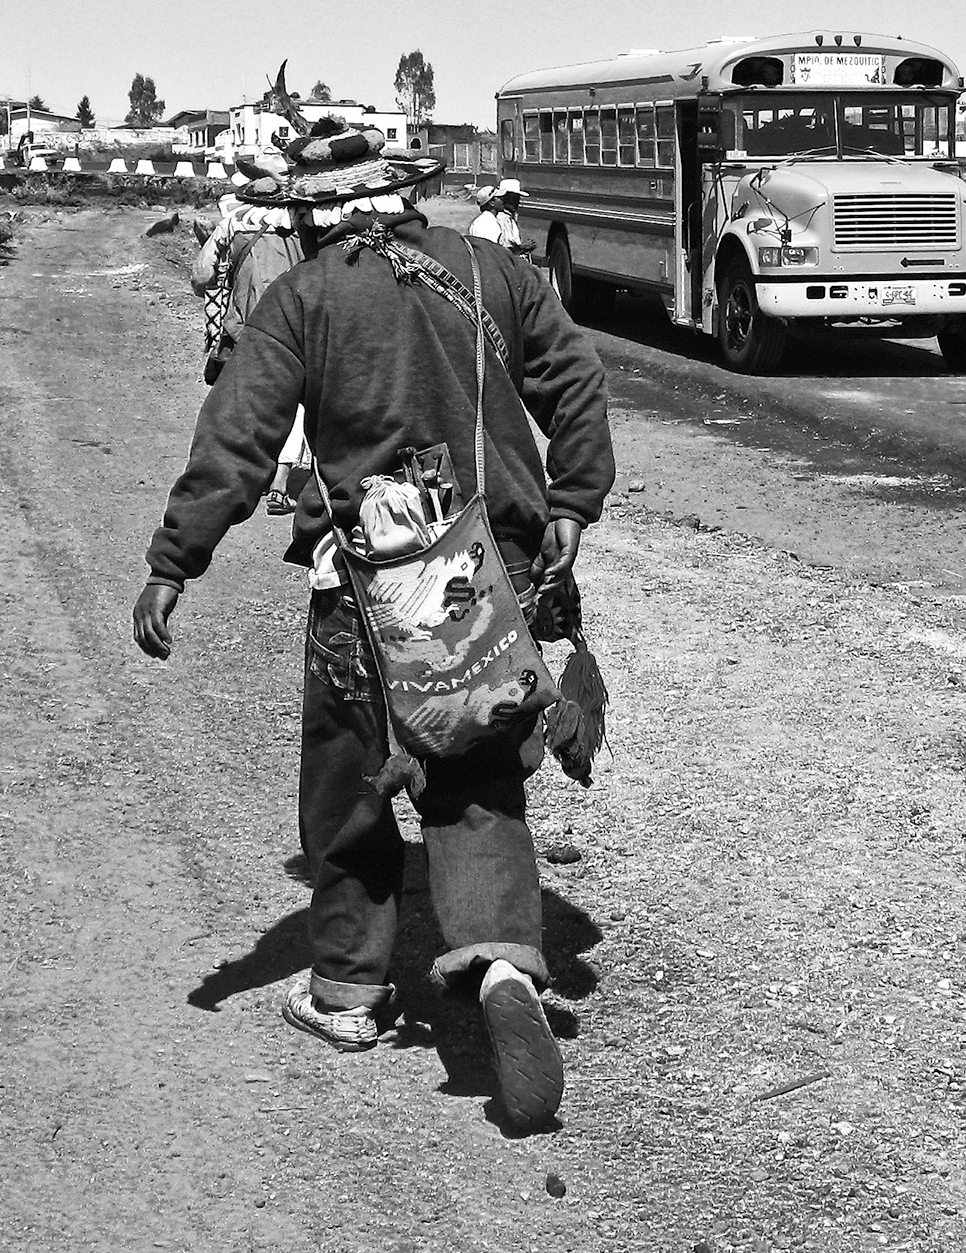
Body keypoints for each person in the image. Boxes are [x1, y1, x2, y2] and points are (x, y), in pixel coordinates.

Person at [132, 114, 614, 1131]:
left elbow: (240, 436)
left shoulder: (307, 295)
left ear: (312, 214)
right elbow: (575, 381)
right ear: (408, 191)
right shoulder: (498, 275)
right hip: (495, 573)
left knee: (349, 775)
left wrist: (176, 559)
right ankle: (500, 966)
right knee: (476, 775)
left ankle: (349, 990)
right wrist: (570, 501)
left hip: (367, 582)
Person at [190, 178, 311, 515]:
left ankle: (238, 473)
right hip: (298, 324)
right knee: (296, 401)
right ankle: (281, 482)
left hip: (246, 326)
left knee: (243, 398)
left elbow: (202, 277)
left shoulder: (232, 226)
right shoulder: (304, 226)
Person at [468, 177, 533, 256]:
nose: (503, 201)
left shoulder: (492, 219)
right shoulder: (488, 223)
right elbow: (492, 252)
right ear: (492, 202)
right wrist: (521, 249)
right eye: (501, 198)